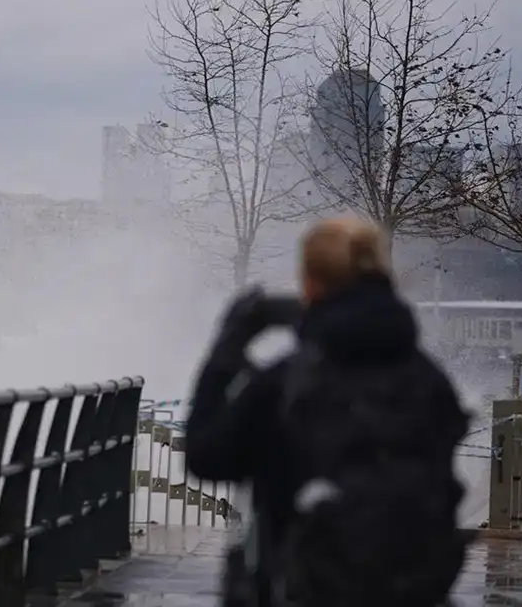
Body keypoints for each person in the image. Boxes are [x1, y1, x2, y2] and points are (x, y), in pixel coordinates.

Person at [185, 216, 471, 607]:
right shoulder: (430, 382)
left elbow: (206, 457)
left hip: (301, 588)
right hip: (410, 592)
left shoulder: (287, 382)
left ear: (311, 284)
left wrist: (226, 349)